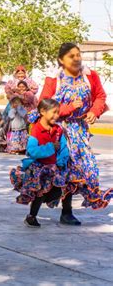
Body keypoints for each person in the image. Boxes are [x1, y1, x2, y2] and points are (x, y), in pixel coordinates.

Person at [35, 42, 111, 223]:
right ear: (61, 60)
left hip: (80, 130)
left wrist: (94, 111)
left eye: (78, 54)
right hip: (59, 130)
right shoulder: (54, 79)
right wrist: (68, 109)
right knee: (64, 169)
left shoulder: (90, 76)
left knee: (87, 169)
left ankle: (64, 205)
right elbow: (43, 106)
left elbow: (100, 96)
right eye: (71, 56)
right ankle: (64, 210)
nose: (77, 58)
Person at [10, 99, 71, 227]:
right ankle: (31, 217)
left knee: (59, 191)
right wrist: (49, 148)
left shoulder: (58, 130)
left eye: (58, 112)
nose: (57, 115)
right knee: (39, 192)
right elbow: (32, 151)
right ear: (42, 111)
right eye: (54, 112)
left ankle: (44, 199)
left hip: (54, 167)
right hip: (38, 168)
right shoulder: (36, 130)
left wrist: (61, 161)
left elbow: (63, 147)